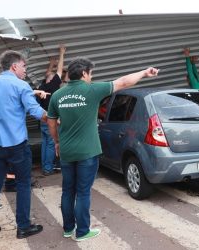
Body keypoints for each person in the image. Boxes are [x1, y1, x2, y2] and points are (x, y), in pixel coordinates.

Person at [47, 58, 159, 241]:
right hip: (87, 152)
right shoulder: (92, 90)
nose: (91, 77)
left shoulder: (57, 95)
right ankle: (82, 231)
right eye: (91, 73)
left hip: (67, 152)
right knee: (83, 191)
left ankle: (68, 229)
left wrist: (56, 141)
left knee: (68, 190)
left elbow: (51, 121)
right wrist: (144, 72)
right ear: (84, 73)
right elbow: (123, 82)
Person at [0, 50, 47, 239]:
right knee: (23, 183)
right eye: (24, 66)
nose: (25, 70)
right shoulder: (21, 85)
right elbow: (35, 111)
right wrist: (54, 119)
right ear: (14, 66)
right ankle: (23, 227)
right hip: (17, 146)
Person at [38, 44, 66, 176]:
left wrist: (51, 63)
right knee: (51, 143)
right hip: (51, 119)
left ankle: (45, 165)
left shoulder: (42, 86)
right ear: (52, 80)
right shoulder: (54, 85)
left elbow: (47, 74)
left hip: (42, 119)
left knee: (45, 143)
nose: (57, 78)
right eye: (54, 76)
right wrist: (62, 53)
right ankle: (48, 169)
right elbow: (59, 71)